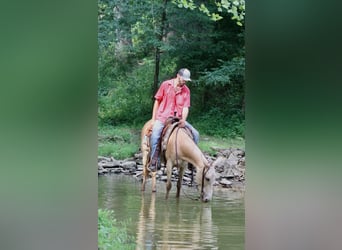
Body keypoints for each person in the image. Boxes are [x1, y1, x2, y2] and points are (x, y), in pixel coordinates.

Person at [148, 68, 199, 172]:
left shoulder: (186, 90)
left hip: (178, 118)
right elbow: (157, 101)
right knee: (155, 134)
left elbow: (185, 107)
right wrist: (153, 119)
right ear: (178, 76)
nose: (184, 81)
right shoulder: (166, 85)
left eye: (186, 80)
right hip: (163, 116)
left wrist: (183, 120)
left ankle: (191, 160)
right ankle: (155, 159)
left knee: (196, 134)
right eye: (183, 79)